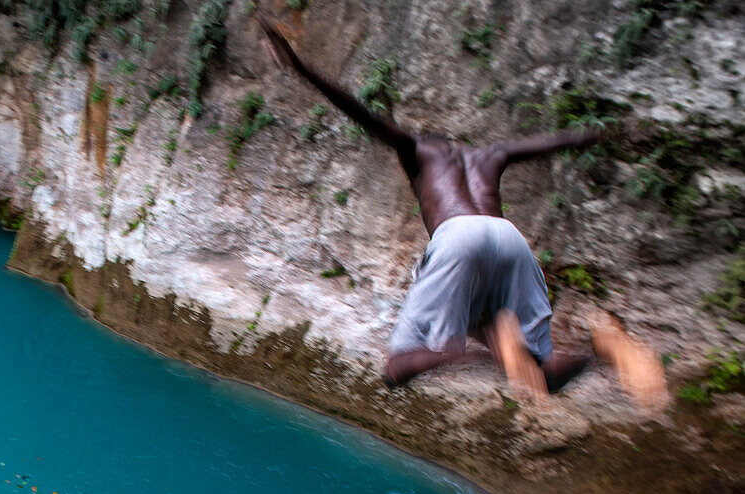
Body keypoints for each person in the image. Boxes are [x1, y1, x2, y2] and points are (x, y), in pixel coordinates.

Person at [260, 19, 667, 408]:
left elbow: (362, 115)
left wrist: (299, 67)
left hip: (458, 237)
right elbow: (558, 140)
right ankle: (600, 351)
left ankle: (494, 355)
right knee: (539, 378)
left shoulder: (417, 149)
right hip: (510, 240)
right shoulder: (489, 155)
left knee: (396, 370)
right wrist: (609, 132)